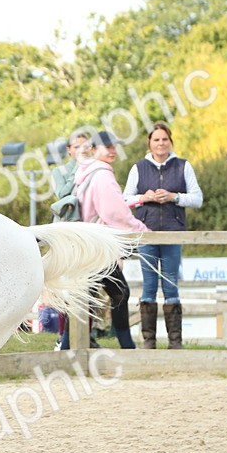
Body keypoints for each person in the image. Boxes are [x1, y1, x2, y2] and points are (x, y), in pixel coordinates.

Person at [62, 131, 150, 350]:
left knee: (88, 295)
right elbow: (114, 213)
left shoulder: (85, 173)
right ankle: (127, 347)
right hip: (97, 245)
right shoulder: (102, 174)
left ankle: (66, 348)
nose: (112, 150)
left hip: (85, 244)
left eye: (113, 146)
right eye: (106, 147)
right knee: (118, 292)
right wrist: (142, 230)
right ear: (94, 150)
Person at [124, 122, 203, 349]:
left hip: (173, 232)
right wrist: (144, 197)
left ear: (170, 141)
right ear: (150, 143)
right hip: (146, 232)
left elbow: (197, 198)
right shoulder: (138, 168)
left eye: (164, 139)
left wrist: (174, 197)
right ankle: (149, 341)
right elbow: (125, 199)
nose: (161, 143)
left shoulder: (183, 166)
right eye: (156, 139)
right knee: (149, 285)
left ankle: (175, 342)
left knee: (170, 285)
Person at [50, 132, 90, 220]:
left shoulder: (94, 169)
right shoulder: (58, 171)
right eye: (77, 147)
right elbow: (62, 195)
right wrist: (78, 167)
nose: (82, 150)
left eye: (85, 146)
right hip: (67, 221)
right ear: (69, 150)